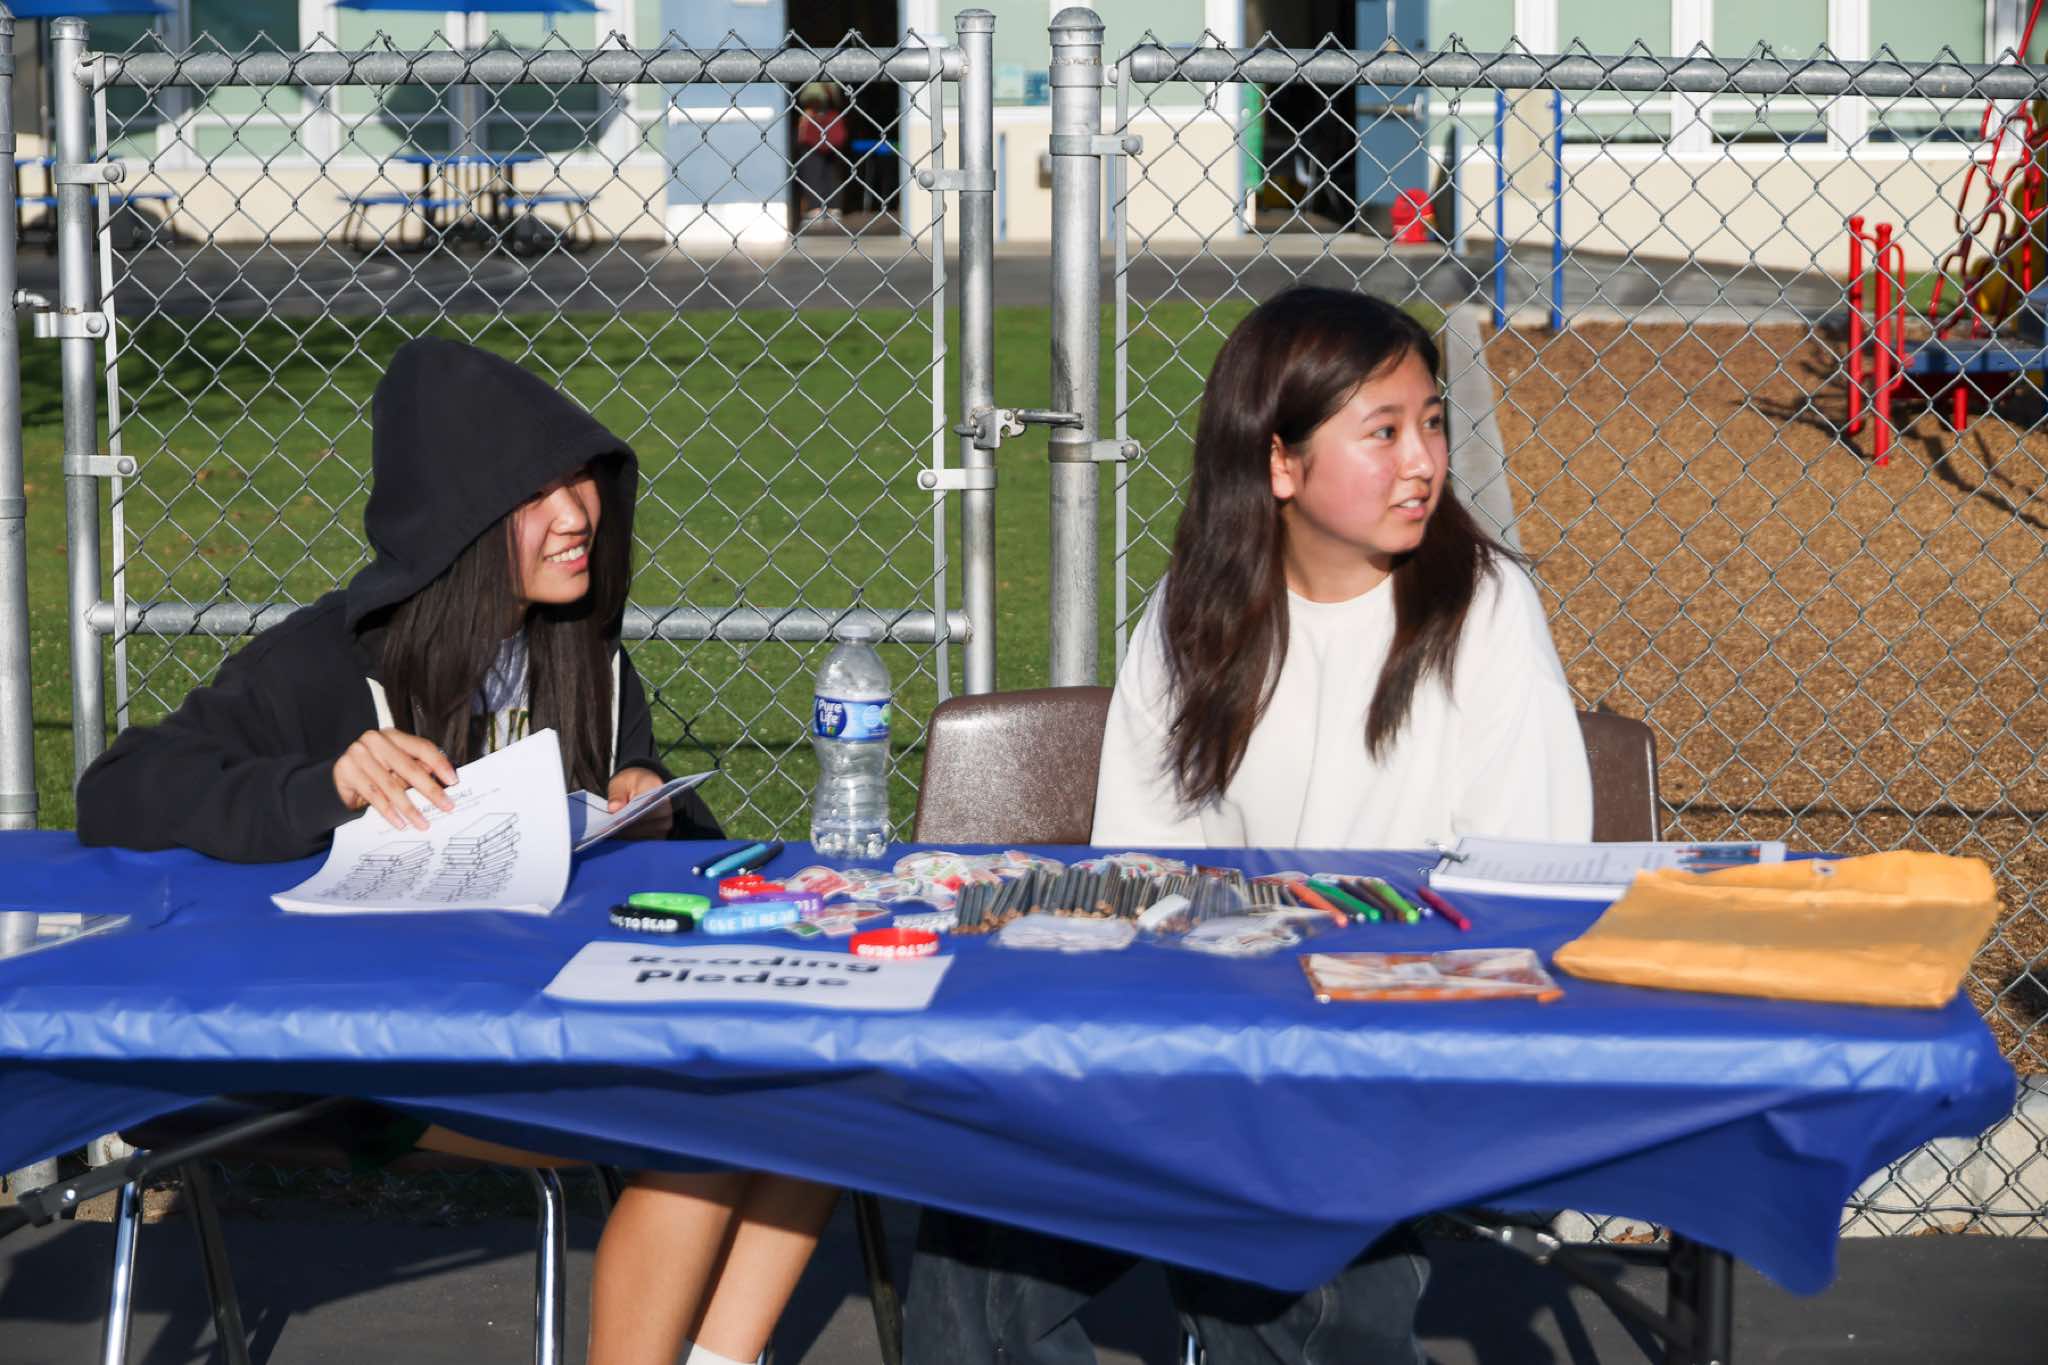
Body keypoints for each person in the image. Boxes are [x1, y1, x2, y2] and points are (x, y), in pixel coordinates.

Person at [75, 337, 839, 1365]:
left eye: (583, 479)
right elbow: (118, 789)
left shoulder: (586, 655)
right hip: (366, 1050)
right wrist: (323, 786)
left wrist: (647, 798)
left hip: (554, 1018)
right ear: (458, 523)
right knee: (704, 1123)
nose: (577, 514)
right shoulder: (324, 662)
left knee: (818, 1090)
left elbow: (638, 830)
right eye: (535, 495)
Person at [904, 286, 1593, 1364]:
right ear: (1279, 463)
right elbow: (1144, 872)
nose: (1423, 461)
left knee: (1289, 1265)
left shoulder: (1484, 610)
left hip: (1402, 1045)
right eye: (1382, 432)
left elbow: (1523, 887)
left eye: (1430, 423)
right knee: (980, 1227)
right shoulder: (1192, 616)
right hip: (1217, 1037)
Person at [794, 81, 850, 226]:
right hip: (829, 124)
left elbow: (810, 97)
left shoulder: (811, 79)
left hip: (815, 123)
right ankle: (832, 208)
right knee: (831, 170)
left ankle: (817, 208)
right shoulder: (835, 79)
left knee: (813, 169)